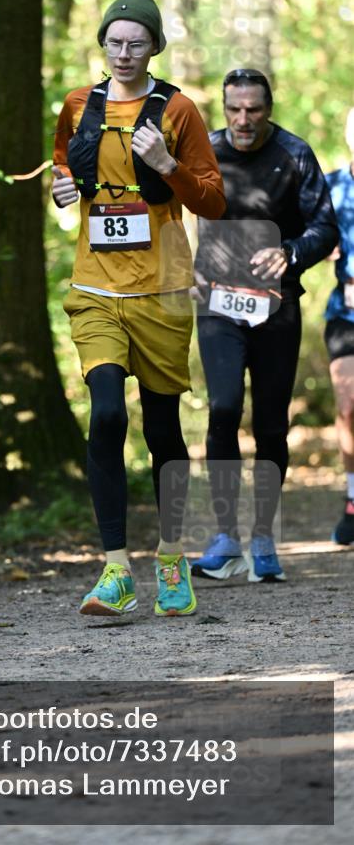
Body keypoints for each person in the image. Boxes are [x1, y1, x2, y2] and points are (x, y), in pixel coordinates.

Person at [51, 0, 225, 618]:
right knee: (105, 414)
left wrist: (168, 164)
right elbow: (64, 166)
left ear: (155, 47)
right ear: (102, 45)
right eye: (114, 42)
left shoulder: (178, 110)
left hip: (162, 289)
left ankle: (172, 556)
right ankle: (115, 569)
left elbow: (212, 198)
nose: (124, 53)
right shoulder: (78, 104)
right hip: (95, 286)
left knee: (161, 428)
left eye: (137, 43)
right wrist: (63, 190)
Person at [191, 68, 338, 583]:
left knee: (272, 425)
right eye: (234, 109)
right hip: (217, 305)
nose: (243, 119)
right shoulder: (205, 152)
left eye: (253, 109)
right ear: (224, 108)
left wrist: (291, 252)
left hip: (277, 308)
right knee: (224, 407)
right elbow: (172, 209)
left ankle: (264, 538)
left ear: (268, 108)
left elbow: (325, 226)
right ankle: (226, 536)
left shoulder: (295, 154)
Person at [325, 108, 354, 545]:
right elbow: (307, 231)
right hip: (345, 314)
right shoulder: (332, 185)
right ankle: (353, 500)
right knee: (349, 404)